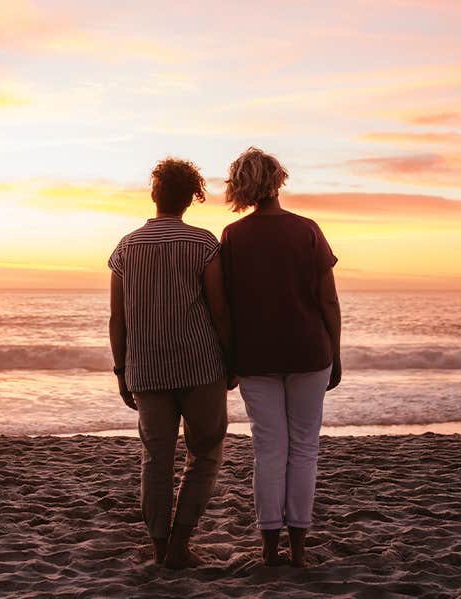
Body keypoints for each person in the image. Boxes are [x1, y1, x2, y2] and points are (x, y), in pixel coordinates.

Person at [108, 157, 232, 569]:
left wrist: (121, 370)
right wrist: (231, 362)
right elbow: (219, 312)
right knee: (205, 453)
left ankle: (161, 546)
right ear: (192, 198)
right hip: (201, 366)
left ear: (154, 194)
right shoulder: (203, 244)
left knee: (155, 458)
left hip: (147, 369)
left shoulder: (126, 247)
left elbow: (117, 317)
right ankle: (179, 543)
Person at [220, 147, 341, 567]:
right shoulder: (307, 230)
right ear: (278, 181)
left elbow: (228, 304)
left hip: (255, 356)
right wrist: (336, 354)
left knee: (268, 449)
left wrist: (229, 359)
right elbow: (328, 301)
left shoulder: (234, 236)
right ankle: (300, 549)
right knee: (304, 449)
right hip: (309, 350)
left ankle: (270, 547)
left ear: (243, 186)